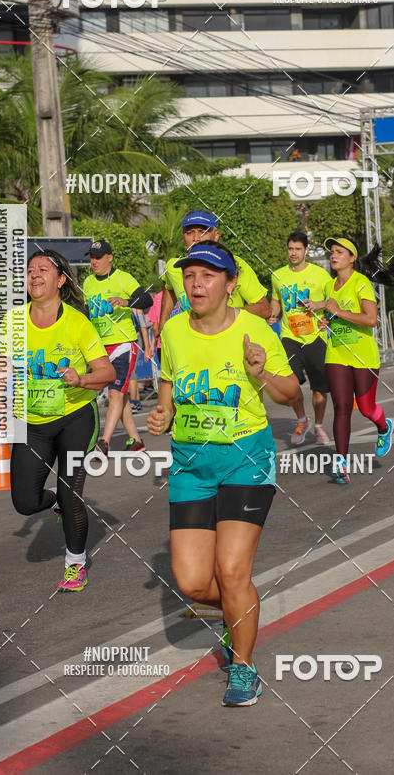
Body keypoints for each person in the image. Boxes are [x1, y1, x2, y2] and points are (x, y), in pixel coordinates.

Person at [147, 240, 299, 707]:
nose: (197, 284)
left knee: (232, 571)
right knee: (192, 583)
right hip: (191, 464)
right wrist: (162, 414)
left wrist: (261, 374)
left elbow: (292, 394)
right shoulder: (172, 330)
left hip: (244, 460)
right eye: (190, 275)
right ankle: (242, 614)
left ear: (231, 284)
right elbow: (169, 382)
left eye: (209, 276)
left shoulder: (256, 330)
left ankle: (244, 666)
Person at [0, 250, 115, 592]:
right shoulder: (13, 321)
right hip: (31, 422)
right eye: (29, 271)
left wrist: (81, 379)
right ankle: (54, 497)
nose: (34, 274)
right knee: (24, 502)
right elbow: (4, 365)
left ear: (60, 280)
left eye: (43, 269)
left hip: (75, 419)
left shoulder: (76, 322)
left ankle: (76, 564)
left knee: (72, 493)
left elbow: (107, 372)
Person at [305, 238, 394, 484]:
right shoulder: (329, 287)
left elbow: (371, 319)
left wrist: (337, 312)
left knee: (366, 408)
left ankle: (384, 426)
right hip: (337, 353)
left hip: (363, 354)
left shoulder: (361, 283)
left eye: (339, 252)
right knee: (342, 407)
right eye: (332, 252)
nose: (334, 255)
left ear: (351, 258)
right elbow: (331, 318)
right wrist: (326, 322)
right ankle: (341, 463)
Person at [82, 240, 153, 455]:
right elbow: (86, 315)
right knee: (120, 396)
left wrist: (125, 301)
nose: (94, 261)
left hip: (123, 343)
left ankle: (103, 442)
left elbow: (145, 299)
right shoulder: (87, 283)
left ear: (109, 258)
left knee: (115, 394)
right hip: (99, 347)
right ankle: (136, 440)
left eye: (99, 257)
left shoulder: (123, 277)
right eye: (92, 257)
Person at [156, 211, 270, 338]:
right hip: (192, 343)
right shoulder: (174, 267)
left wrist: (224, 316)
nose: (196, 238)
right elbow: (169, 287)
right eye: (189, 233)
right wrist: (163, 323)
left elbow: (264, 308)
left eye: (202, 232)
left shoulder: (235, 264)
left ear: (216, 236)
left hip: (230, 341)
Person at [270, 230, 331, 445]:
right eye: (290, 248)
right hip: (289, 336)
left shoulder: (321, 275)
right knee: (292, 384)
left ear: (306, 250)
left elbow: (333, 302)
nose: (293, 253)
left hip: (315, 337)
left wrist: (324, 313)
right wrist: (272, 314)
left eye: (297, 249)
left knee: (320, 388)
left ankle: (319, 425)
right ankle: (302, 419)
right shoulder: (277, 275)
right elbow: (276, 300)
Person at [129, 307, 154, 413]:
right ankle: (137, 400)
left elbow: (143, 326)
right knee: (129, 371)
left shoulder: (136, 307)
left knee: (131, 372)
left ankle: (134, 401)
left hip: (135, 339)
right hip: (125, 339)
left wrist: (147, 347)